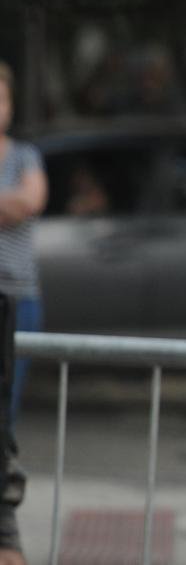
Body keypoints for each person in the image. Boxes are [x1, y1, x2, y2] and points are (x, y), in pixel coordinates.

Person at [0, 64, 47, 431]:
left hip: (18, 296)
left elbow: (30, 202)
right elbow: (16, 204)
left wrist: (18, 204)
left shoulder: (25, 156)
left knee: (6, 407)